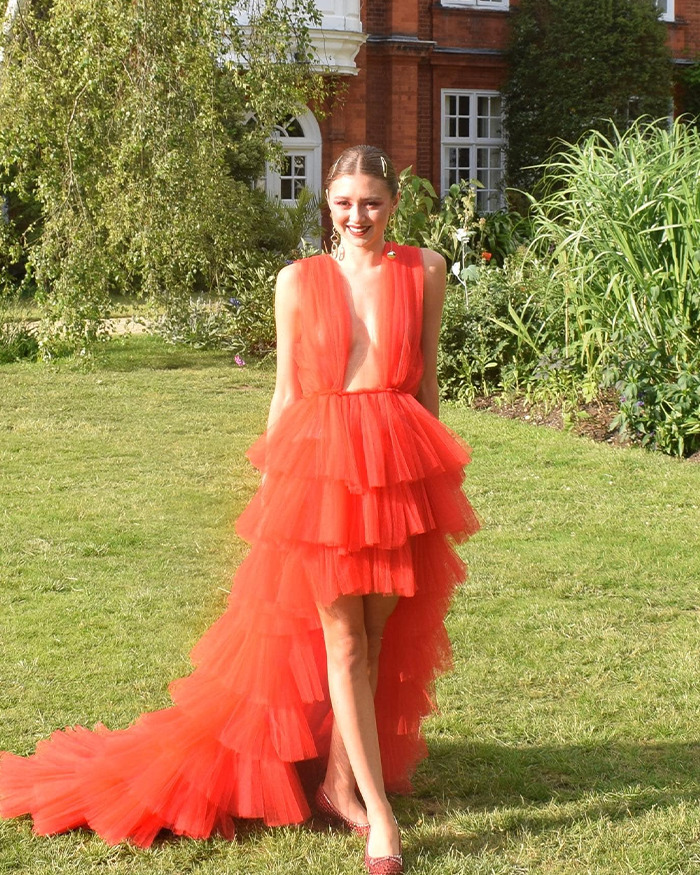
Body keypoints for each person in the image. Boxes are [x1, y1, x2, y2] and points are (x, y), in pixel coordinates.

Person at [0, 145, 480, 875]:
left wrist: (433, 476)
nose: (357, 216)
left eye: (372, 203)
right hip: (320, 475)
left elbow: (427, 382)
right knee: (345, 642)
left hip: (397, 469)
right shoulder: (298, 280)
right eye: (344, 203)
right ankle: (379, 817)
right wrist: (273, 484)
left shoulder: (426, 271)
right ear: (327, 202)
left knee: (376, 638)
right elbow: (286, 391)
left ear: (394, 203)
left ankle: (339, 783)